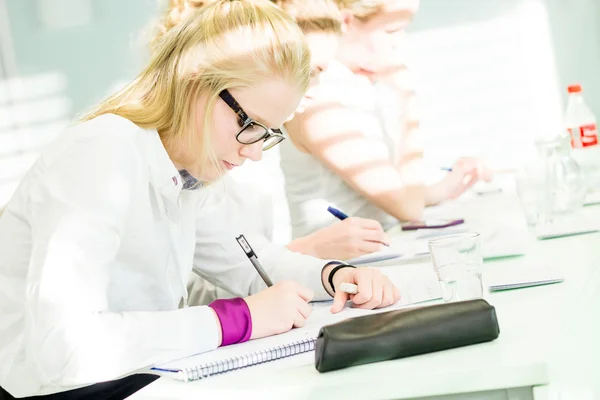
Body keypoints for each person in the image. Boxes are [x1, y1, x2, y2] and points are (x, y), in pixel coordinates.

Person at [0, 1, 400, 398]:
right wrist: (237, 320)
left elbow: (253, 264)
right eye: (249, 124)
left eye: (269, 133)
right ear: (194, 82)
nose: (255, 151)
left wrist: (334, 276)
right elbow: (63, 350)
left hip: (136, 378)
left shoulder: (186, 170)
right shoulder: (102, 154)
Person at [158, 0, 390, 262]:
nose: (308, 89)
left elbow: (240, 268)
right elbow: (207, 287)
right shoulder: (202, 161)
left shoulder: (250, 141)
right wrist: (309, 249)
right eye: (308, 71)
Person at [280, 0, 493, 239]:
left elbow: (396, 195)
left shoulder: (353, 86)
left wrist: (446, 186)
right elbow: (408, 209)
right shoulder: (317, 100)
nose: (398, 43)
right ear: (346, 22)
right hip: (336, 265)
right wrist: (407, 100)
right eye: (391, 31)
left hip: (372, 252)